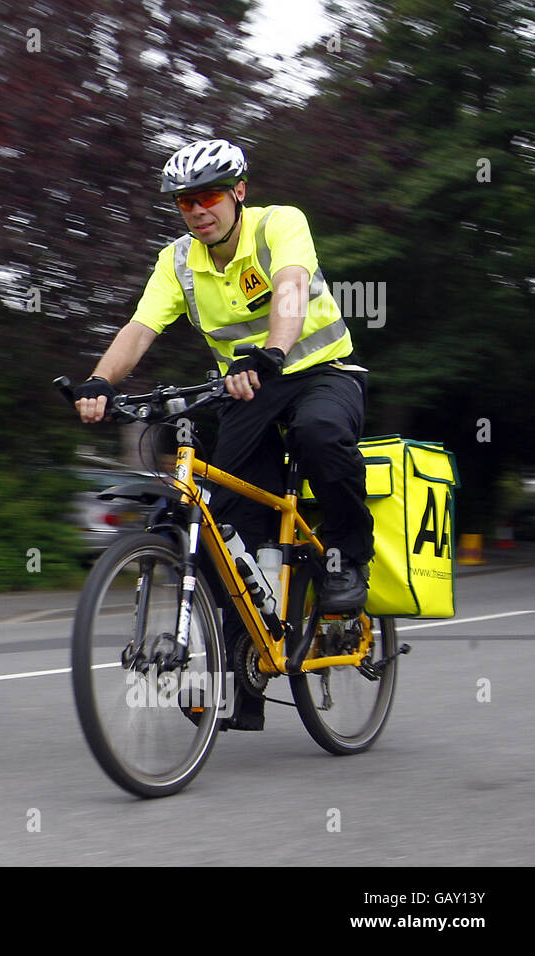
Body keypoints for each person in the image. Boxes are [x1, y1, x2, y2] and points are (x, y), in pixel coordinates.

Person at [73, 139, 373, 730]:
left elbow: (289, 289)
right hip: (245, 390)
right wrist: (100, 381)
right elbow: (140, 327)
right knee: (226, 518)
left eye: (209, 195)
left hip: (319, 373)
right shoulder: (178, 260)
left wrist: (271, 353)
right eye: (185, 201)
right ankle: (243, 674)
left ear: (238, 192)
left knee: (318, 435)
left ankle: (346, 561)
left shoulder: (279, 225)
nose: (197, 209)